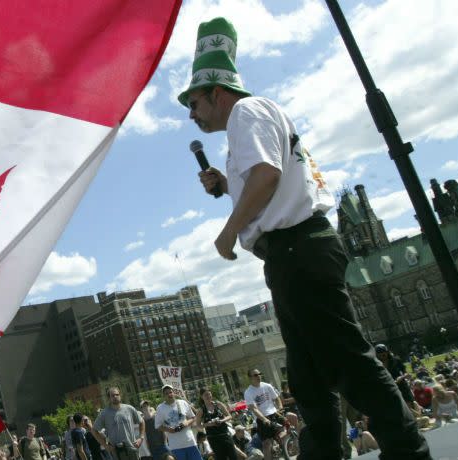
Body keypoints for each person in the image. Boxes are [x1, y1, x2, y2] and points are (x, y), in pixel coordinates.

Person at [181, 15, 430, 460]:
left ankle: (409, 451)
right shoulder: (257, 114)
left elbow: (266, 175)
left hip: (297, 250)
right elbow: (268, 179)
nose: (192, 115)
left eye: (194, 104)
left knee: (349, 360)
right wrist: (227, 184)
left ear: (217, 93)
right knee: (309, 378)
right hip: (297, 251)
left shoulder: (245, 112)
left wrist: (228, 232)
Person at [88, 387, 146, 460]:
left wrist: (141, 438)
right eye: (112, 395)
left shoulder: (129, 408)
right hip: (117, 453)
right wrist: (106, 446)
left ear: (120, 395)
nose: (115, 397)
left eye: (117, 394)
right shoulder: (104, 414)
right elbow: (94, 430)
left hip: (133, 449)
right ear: (109, 398)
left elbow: (142, 421)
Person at [242, 370, 283, 460]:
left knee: (292, 419)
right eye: (256, 375)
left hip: (274, 413)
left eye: (260, 374)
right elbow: (254, 409)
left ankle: (288, 447)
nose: (259, 376)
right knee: (266, 443)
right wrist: (264, 419)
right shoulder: (248, 392)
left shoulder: (267, 386)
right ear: (250, 378)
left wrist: (280, 407)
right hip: (262, 417)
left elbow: (276, 398)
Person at [154, 385, 202, 460]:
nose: (169, 394)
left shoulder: (182, 403)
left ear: (174, 393)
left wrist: (186, 423)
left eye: (170, 392)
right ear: (163, 396)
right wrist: (169, 430)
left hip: (190, 442)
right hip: (175, 446)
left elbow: (193, 417)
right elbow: (157, 426)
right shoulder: (160, 408)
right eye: (166, 393)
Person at [197, 387, 236, 460]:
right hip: (213, 438)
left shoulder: (218, 404)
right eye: (205, 395)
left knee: (233, 456)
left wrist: (222, 421)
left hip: (225, 435)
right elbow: (198, 426)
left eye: (209, 394)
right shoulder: (201, 410)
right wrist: (208, 424)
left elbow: (229, 416)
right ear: (202, 397)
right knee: (221, 458)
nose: (208, 396)